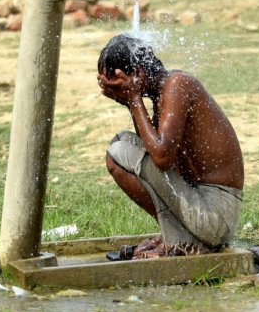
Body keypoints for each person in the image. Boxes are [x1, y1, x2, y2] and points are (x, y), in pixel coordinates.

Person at [97, 34, 244, 259]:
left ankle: (181, 240)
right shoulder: (161, 92)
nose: (114, 90)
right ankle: (176, 234)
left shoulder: (177, 84)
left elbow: (162, 158)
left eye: (116, 84)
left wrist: (134, 99)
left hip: (215, 217)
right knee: (122, 142)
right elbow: (154, 153)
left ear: (137, 74)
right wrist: (130, 101)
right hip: (200, 208)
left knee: (117, 153)